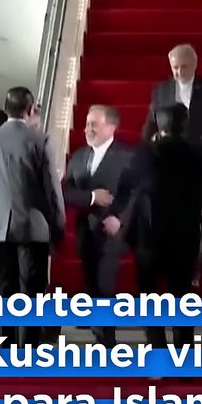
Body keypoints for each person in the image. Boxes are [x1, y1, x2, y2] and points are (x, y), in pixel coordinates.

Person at [0, 87, 64, 346]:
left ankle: (3, 348)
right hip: (34, 228)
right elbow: (51, 191)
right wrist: (58, 228)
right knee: (31, 294)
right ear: (31, 110)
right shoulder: (40, 140)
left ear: (5, 108)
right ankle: (28, 350)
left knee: (2, 290)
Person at [126, 103, 202, 347]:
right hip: (185, 234)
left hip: (150, 235)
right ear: (184, 124)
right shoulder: (196, 154)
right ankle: (184, 350)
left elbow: (135, 188)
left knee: (149, 296)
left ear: (158, 125)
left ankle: (157, 348)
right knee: (182, 294)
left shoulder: (146, 153)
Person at [62, 105, 135, 348]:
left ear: (112, 126)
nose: (87, 129)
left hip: (113, 231)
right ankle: (100, 336)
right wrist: (91, 197)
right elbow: (67, 191)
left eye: (94, 124)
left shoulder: (127, 156)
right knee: (92, 284)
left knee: (105, 284)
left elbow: (137, 192)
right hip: (86, 230)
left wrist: (120, 219)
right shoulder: (79, 156)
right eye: (86, 124)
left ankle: (107, 341)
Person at [142, 44, 202, 145]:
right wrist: (145, 146)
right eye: (175, 67)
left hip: (201, 149)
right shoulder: (161, 90)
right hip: (170, 149)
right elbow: (152, 122)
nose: (180, 72)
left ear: (195, 64)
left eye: (184, 67)